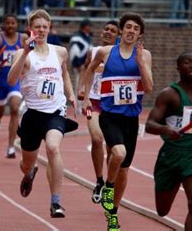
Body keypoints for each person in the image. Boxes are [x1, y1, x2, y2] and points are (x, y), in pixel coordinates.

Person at [82, 13, 153, 231]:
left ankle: (112, 214)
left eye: (136, 28)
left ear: (140, 34)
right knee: (118, 153)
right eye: (128, 27)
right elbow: (91, 68)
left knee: (124, 170)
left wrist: (141, 64)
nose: (131, 31)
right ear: (121, 30)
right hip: (109, 114)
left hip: (131, 118)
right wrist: (85, 96)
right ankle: (108, 186)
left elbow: (149, 88)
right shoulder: (105, 52)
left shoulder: (145, 55)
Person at [7, 9, 76, 218]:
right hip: (32, 114)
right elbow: (11, 80)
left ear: (49, 28)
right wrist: (26, 53)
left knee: (53, 148)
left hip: (55, 111)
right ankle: (29, 173)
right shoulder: (23, 54)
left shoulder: (60, 52)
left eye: (45, 27)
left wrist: (71, 95)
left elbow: (64, 73)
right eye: (38, 27)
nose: (42, 30)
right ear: (31, 29)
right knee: (27, 162)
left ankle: (55, 202)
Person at [145, 52, 192, 231]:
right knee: (162, 210)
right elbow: (149, 124)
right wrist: (165, 129)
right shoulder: (169, 95)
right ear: (178, 68)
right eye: (187, 63)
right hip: (170, 157)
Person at [77, 20, 120, 203]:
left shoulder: (120, 55)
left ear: (118, 35)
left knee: (112, 149)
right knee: (96, 138)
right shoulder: (93, 52)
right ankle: (99, 181)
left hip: (113, 105)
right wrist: (81, 90)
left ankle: (109, 185)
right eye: (106, 29)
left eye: (113, 30)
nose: (108, 32)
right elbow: (86, 69)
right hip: (93, 102)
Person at [0, 14, 28, 158]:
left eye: (13, 23)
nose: (10, 26)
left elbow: (32, 52)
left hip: (15, 81)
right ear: (4, 24)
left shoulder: (23, 38)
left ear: (17, 24)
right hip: (1, 80)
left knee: (15, 109)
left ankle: (10, 147)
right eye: (7, 23)